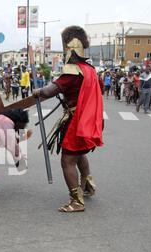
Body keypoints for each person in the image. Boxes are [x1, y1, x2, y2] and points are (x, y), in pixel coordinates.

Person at [33, 26, 104, 213]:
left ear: (70, 49)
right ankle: (87, 185)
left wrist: (38, 91)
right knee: (80, 154)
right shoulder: (89, 69)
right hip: (84, 118)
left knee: (68, 160)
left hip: (76, 120)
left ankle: (76, 201)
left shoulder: (73, 72)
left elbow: (49, 91)